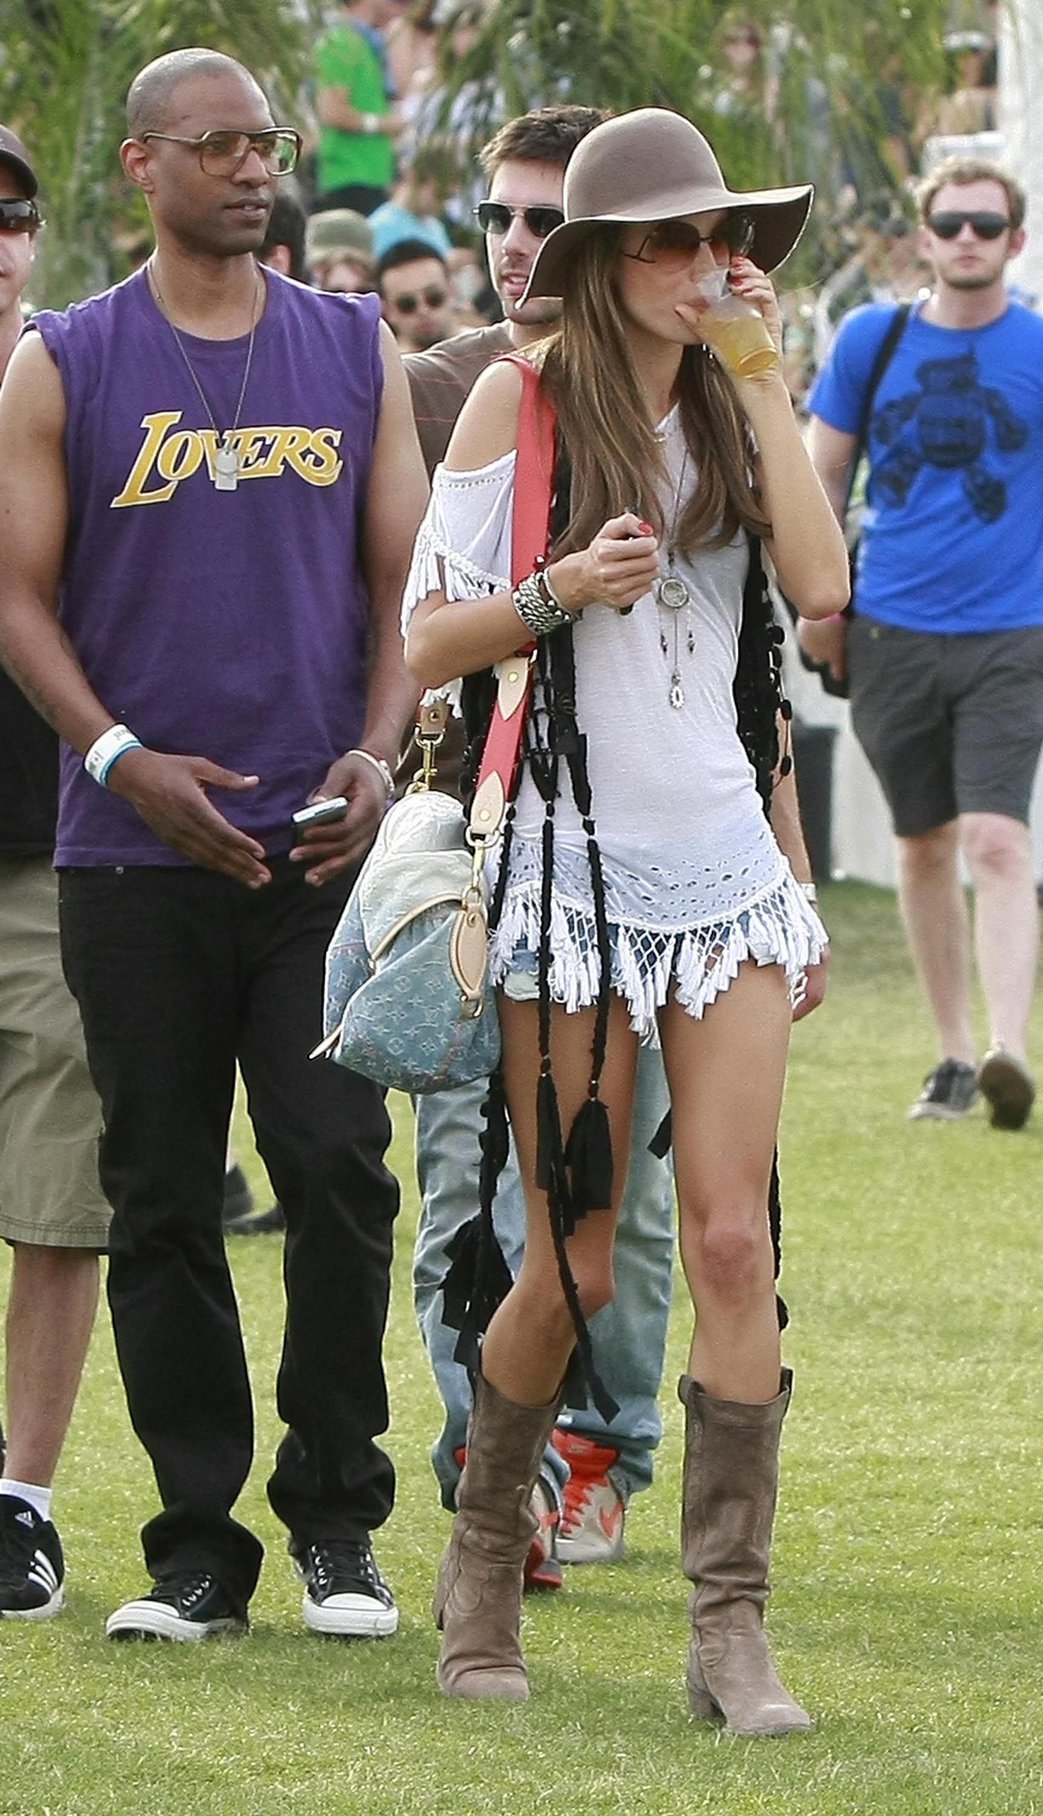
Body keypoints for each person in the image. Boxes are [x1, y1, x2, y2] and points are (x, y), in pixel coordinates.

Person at [402, 106, 843, 1729]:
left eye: (714, 237)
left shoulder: (733, 402)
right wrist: (552, 595)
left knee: (734, 1241)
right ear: (597, 261)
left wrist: (763, 374)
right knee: (569, 1259)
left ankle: (729, 1632)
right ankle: (478, 1565)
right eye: (664, 240)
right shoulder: (517, 398)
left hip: (721, 872)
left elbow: (817, 587)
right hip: (565, 878)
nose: (699, 262)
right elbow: (426, 645)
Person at [0, 48, 425, 1642]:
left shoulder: (350, 346)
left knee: (333, 1170)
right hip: (130, 858)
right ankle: (194, 1549)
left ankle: (336, 1524)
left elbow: (401, 582)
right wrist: (117, 757)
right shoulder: (67, 361)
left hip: (314, 852)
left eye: (269, 142)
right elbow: (15, 596)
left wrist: (377, 755)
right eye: (218, 144)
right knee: (162, 1196)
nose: (253, 167)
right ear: (141, 165)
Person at [405, 104, 679, 1587]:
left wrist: (781, 853)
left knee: (609, 1197)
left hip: (647, 851)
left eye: (541, 220)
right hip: (483, 836)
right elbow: (419, 636)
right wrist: (560, 589)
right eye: (501, 217)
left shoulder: (688, 395)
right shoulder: (456, 383)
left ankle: (602, 1454)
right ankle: (489, 1485)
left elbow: (741, 659)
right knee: (463, 1181)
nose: (516, 243)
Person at [801, 156, 1043, 1127]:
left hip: (1007, 632)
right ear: (923, 237)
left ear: (1013, 239)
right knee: (921, 846)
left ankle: (1009, 1049)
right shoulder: (869, 342)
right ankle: (952, 1056)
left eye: (984, 226)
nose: (966, 240)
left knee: (998, 840)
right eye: (949, 224)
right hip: (885, 627)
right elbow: (818, 476)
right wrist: (812, 597)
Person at [0, 126, 110, 1624]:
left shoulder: (86, 377)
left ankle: (21, 1498)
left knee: (57, 1191)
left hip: (52, 840)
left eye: (14, 213)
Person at [313, 0, 407, 215]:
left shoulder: (368, 43)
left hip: (373, 177)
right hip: (348, 178)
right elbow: (331, 111)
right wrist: (384, 124)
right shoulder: (338, 41)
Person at [377, 236, 455, 352]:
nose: (423, 311)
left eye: (434, 298)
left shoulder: (486, 349)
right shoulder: (381, 369)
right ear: (388, 310)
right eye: (407, 304)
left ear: (452, 292)